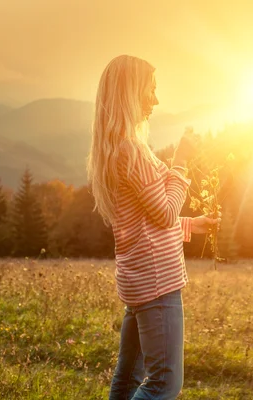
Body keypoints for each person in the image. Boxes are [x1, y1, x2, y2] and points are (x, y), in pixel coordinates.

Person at [86, 54, 221, 399]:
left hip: (138, 280)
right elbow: (162, 213)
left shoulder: (117, 149)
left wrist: (192, 223)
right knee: (164, 383)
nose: (157, 100)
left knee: (129, 375)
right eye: (151, 90)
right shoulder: (132, 151)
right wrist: (181, 163)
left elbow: (145, 219)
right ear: (131, 94)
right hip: (157, 282)